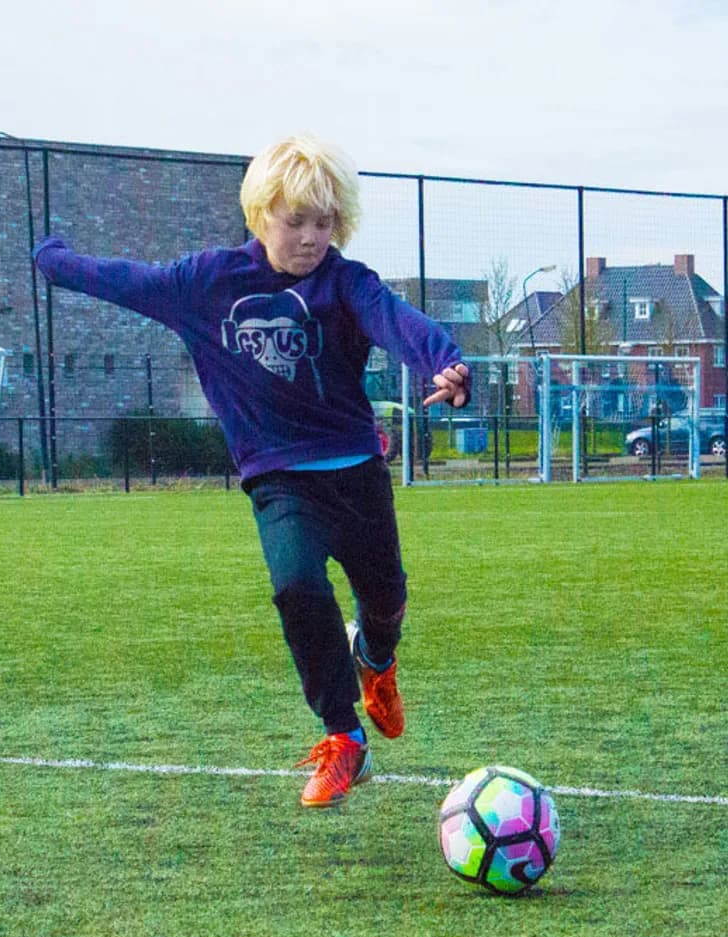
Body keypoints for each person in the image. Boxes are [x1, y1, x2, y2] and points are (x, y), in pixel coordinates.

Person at [33, 134, 470, 808]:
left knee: (384, 602)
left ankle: (377, 660)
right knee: (297, 585)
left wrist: (443, 361)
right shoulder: (209, 282)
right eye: (295, 221)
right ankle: (344, 740)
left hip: (356, 472)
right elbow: (130, 280)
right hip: (279, 478)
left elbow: (396, 321)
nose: (310, 237)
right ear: (260, 214)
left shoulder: (344, 282)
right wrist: (57, 262)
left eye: (323, 222)